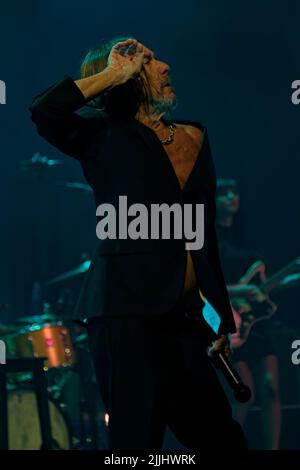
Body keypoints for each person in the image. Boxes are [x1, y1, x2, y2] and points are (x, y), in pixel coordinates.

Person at [29, 37, 246, 450]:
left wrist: (220, 316)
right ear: (125, 79)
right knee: (136, 447)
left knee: (223, 441)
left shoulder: (195, 136)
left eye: (158, 58)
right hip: (125, 315)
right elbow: (43, 109)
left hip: (186, 321)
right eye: (148, 63)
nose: (165, 67)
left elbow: (203, 236)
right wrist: (111, 74)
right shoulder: (101, 136)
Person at [216, 178, 281, 449]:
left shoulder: (248, 237)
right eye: (224, 193)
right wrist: (243, 290)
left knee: (271, 389)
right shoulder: (208, 239)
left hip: (256, 324)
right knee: (245, 393)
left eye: (235, 192)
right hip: (229, 324)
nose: (232, 198)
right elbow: (205, 285)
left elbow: (263, 287)